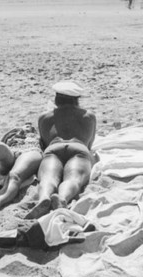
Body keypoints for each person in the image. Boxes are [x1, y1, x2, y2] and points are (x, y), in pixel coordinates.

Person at [25, 81, 97, 219]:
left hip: (54, 147)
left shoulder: (44, 117)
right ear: (77, 99)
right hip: (78, 148)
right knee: (74, 179)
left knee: (47, 178)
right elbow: (89, 145)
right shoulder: (89, 116)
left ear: (56, 98)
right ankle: (63, 198)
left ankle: (44, 198)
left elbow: (44, 142)